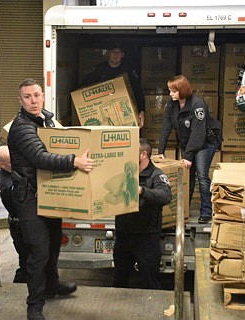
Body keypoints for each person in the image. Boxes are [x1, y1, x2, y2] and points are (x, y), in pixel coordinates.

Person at [7, 78, 95, 320]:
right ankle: (34, 306)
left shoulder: (46, 120)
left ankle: (53, 285)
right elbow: (39, 157)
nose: (33, 100)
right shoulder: (21, 127)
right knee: (39, 251)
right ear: (20, 100)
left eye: (36, 95)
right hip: (28, 198)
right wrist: (73, 161)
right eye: (27, 96)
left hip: (47, 193)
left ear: (43, 95)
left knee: (54, 243)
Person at [156, 75, 222, 224]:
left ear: (182, 90)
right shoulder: (172, 104)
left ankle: (206, 211)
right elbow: (166, 127)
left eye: (173, 91)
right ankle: (184, 210)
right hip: (188, 142)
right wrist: (161, 150)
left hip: (206, 141)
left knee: (201, 175)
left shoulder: (198, 105)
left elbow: (198, 134)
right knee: (188, 175)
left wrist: (188, 156)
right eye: (170, 91)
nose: (170, 94)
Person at [113, 138, 171, 289]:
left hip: (146, 237)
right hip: (123, 235)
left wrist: (142, 190)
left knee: (150, 281)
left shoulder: (156, 175)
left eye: (131, 152)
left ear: (143, 155)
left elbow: (165, 196)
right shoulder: (123, 173)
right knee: (119, 279)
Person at [80, 44, 146, 128]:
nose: (116, 55)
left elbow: (138, 92)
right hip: (103, 112)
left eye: (118, 52)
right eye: (113, 52)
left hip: (124, 112)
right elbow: (83, 88)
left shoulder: (128, 71)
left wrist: (142, 111)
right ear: (108, 54)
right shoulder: (99, 70)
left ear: (122, 55)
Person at [0, 145, 28, 283]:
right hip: (19, 225)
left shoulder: (12, 173)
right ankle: (17, 287)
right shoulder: (6, 183)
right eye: (10, 161)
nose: (14, 163)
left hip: (22, 222)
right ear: (2, 164)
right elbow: (22, 199)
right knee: (25, 261)